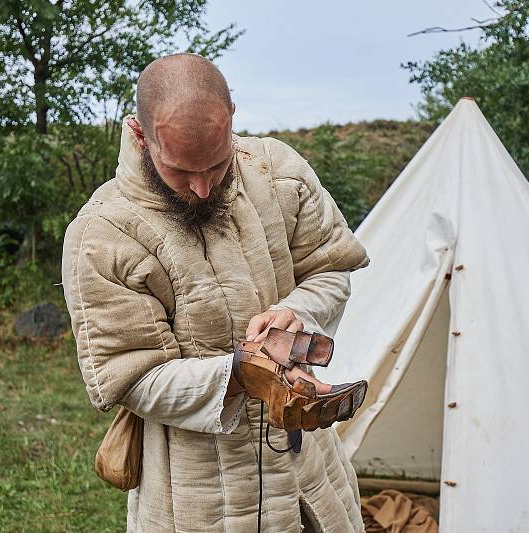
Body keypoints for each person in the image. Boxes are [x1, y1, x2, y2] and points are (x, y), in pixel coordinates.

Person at [61, 52, 370, 532]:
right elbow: (125, 375)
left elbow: (332, 270)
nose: (203, 188)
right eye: (181, 171)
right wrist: (239, 374)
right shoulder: (102, 234)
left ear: (232, 116)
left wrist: (296, 314)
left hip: (312, 478)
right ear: (141, 137)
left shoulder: (278, 174)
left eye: (218, 164)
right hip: (198, 497)